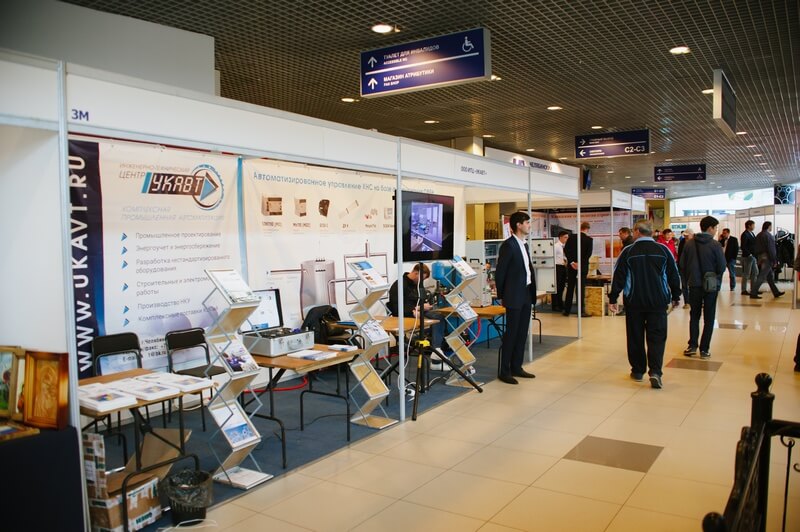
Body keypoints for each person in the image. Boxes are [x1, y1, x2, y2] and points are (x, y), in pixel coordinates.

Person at [608, 220, 681, 389]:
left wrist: (613, 298)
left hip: (634, 302)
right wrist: (676, 295)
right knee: (657, 337)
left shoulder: (628, 251)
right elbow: (673, 274)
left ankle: (638, 370)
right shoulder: (663, 250)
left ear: (637, 232)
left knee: (635, 336)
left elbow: (619, 276)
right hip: (658, 302)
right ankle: (655, 372)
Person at [494, 211, 537, 384]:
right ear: (518, 225)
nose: (529, 225)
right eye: (527, 222)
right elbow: (500, 272)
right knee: (511, 333)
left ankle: (516, 367)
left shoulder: (524, 245)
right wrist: (502, 295)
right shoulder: (508, 245)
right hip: (514, 295)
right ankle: (504, 371)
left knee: (522, 332)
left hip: (526, 293)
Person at [679, 216, 726, 359]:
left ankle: (692, 346)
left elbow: (682, 265)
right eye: (715, 228)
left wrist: (690, 277)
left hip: (694, 284)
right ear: (710, 228)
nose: (716, 230)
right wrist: (714, 275)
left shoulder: (689, 244)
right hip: (710, 285)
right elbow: (722, 266)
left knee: (694, 315)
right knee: (709, 317)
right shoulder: (715, 245)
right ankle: (705, 349)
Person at [387, 263, 445, 352]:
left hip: (417, 310)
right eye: (422, 279)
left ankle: (435, 346)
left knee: (439, 316)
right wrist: (417, 309)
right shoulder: (399, 285)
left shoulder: (417, 284)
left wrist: (424, 306)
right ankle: (433, 348)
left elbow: (421, 299)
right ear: (415, 273)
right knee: (436, 320)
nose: (422, 281)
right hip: (406, 313)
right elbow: (397, 308)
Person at [563, 221, 593, 317]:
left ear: (580, 228)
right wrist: (580, 264)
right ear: (587, 229)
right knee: (580, 289)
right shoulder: (589, 240)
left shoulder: (571, 237)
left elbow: (566, 250)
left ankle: (567, 310)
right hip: (582, 267)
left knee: (570, 288)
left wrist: (572, 262)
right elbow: (588, 254)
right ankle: (581, 311)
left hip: (572, 267)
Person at [751, 221, 785, 299]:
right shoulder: (768, 235)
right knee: (762, 276)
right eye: (771, 226)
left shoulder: (759, 235)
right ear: (769, 226)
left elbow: (755, 247)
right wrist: (774, 260)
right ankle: (753, 292)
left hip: (761, 257)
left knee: (769, 277)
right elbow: (771, 249)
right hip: (768, 257)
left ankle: (776, 292)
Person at [551, 230, 569, 312]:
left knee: (561, 287)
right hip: (557, 267)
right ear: (560, 237)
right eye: (565, 237)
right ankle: (555, 305)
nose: (566, 239)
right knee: (557, 287)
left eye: (567, 237)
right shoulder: (556, 246)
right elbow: (552, 257)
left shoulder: (564, 246)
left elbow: (563, 257)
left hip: (563, 267)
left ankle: (560, 304)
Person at [740, 220, 758, 295]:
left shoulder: (752, 233)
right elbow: (743, 246)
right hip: (747, 257)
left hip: (753, 256)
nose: (754, 227)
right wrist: (749, 254)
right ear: (749, 226)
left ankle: (753, 289)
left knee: (755, 272)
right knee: (746, 274)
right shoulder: (745, 234)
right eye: (753, 225)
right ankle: (743, 290)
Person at [677, 228, 694, 308]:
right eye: (685, 235)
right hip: (683, 267)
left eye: (687, 235)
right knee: (684, 285)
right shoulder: (682, 242)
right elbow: (679, 254)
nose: (686, 237)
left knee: (693, 285)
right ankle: (687, 302)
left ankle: (694, 301)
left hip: (692, 267)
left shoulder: (695, 242)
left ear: (692, 235)